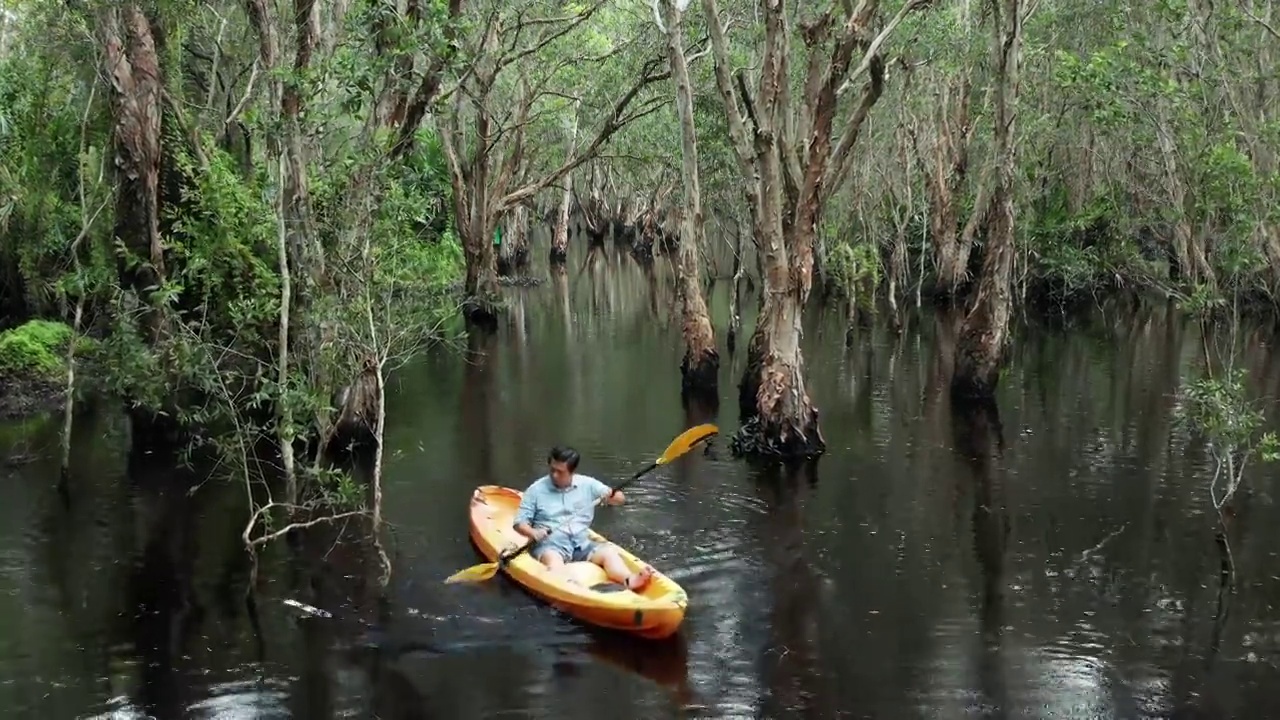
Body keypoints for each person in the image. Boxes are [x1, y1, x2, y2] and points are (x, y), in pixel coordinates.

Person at [512, 445, 654, 591]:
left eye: (560, 472)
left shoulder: (588, 485)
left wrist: (611, 495)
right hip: (550, 545)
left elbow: (619, 499)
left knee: (609, 553)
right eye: (552, 470)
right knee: (552, 559)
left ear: (572, 471)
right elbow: (519, 523)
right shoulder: (535, 490)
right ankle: (570, 587)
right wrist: (533, 533)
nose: (554, 475)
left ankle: (629, 580)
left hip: (581, 543)